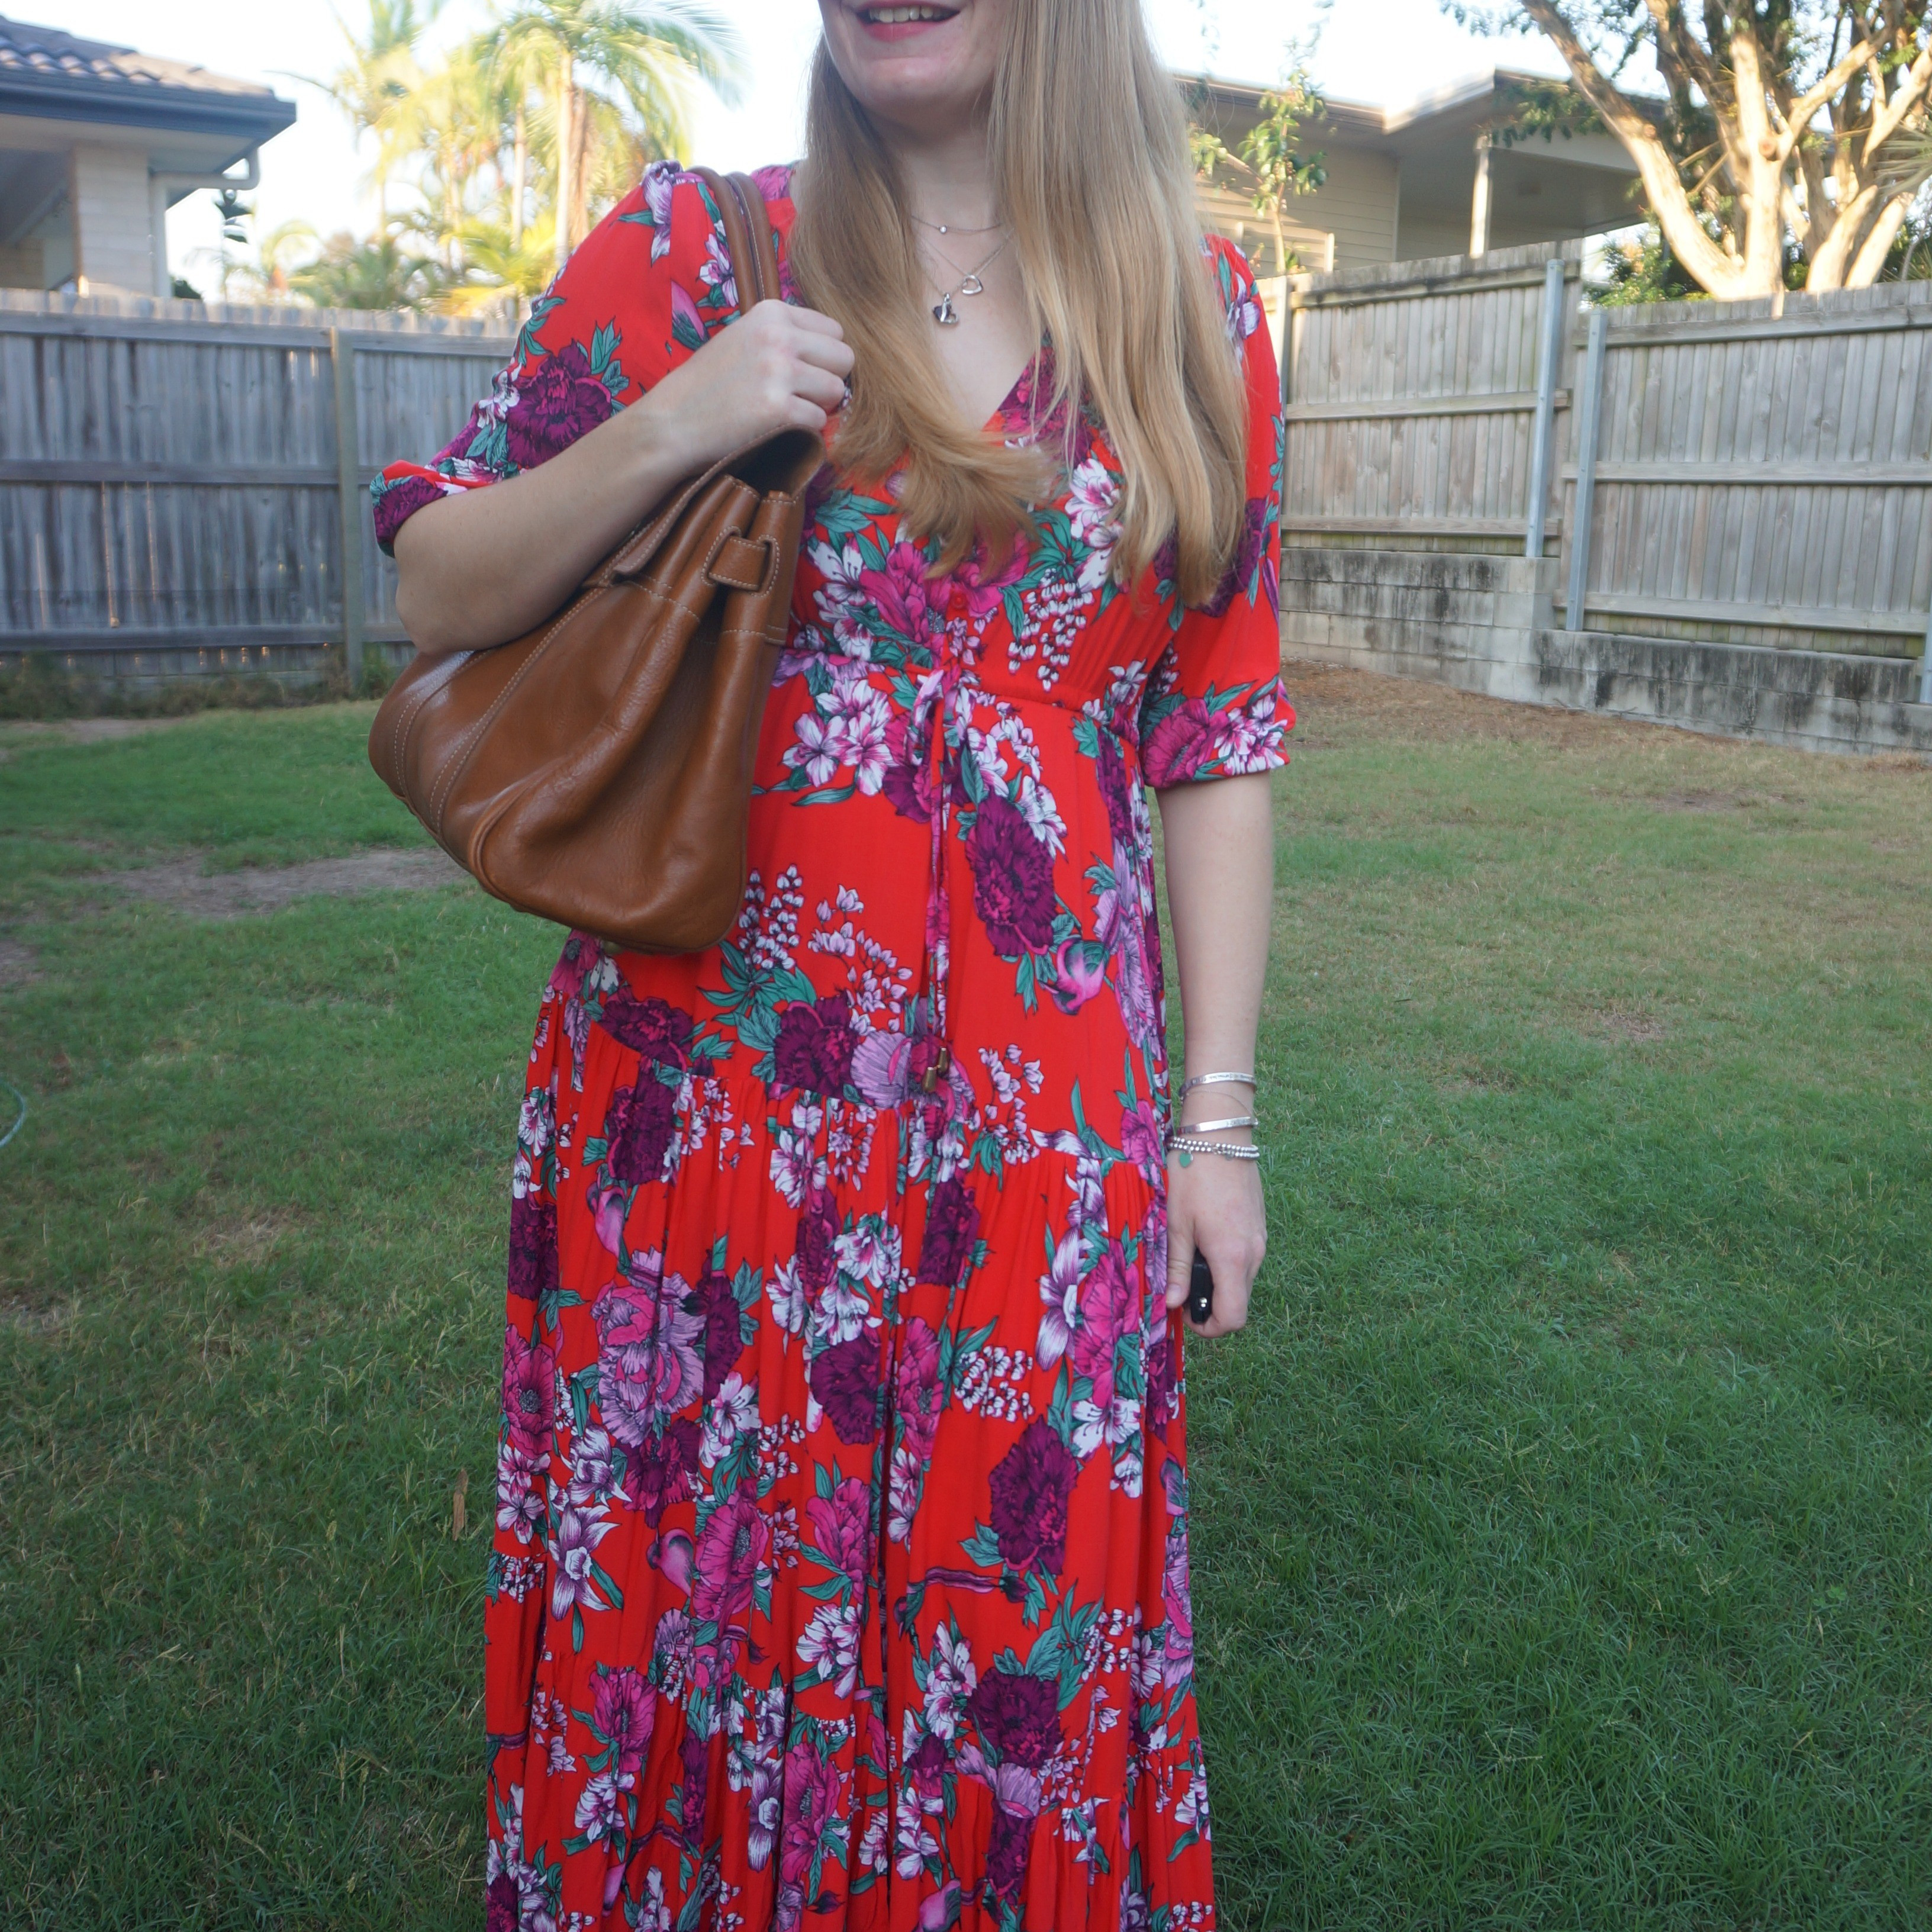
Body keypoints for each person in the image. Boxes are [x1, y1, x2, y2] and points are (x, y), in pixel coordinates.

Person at [376, 1, 1291, 1925]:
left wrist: (1218, 1127)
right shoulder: (700, 249)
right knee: (702, 1592)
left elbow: (1216, 730)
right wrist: (684, 414)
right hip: (712, 1100)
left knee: (1006, 1617)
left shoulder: (1197, 310)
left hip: (1043, 1135)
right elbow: (433, 581)